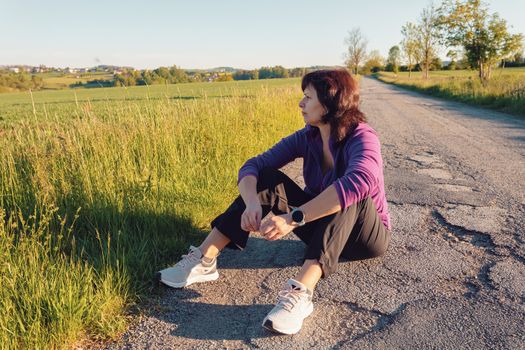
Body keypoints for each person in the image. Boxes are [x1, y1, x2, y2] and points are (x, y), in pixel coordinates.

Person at [158, 69, 391, 335]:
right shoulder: (308, 136)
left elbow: (361, 180)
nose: (301, 104)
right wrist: (251, 203)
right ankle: (205, 259)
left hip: (366, 238)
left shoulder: (362, 136)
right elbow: (254, 166)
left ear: (330, 102)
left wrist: (294, 218)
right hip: (322, 228)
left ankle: (300, 294)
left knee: (352, 192)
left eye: (307, 97)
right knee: (266, 177)